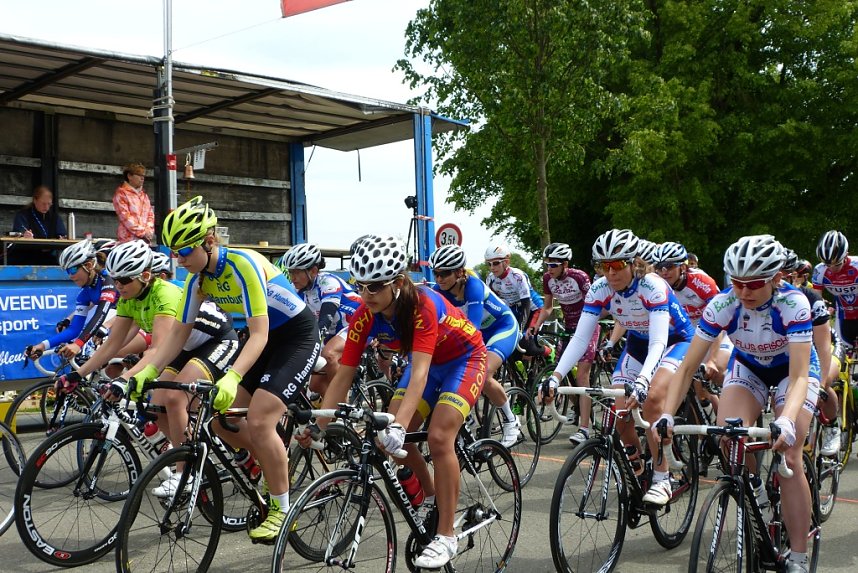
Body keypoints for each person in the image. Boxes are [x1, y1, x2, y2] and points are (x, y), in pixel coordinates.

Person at [303, 236, 486, 569]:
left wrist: (400, 425)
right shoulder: (364, 314)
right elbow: (343, 374)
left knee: (439, 436)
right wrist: (318, 425)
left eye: (374, 287)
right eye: (360, 286)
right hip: (428, 367)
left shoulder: (422, 305)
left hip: (464, 359)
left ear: (399, 283)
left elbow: (418, 375)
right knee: (384, 437)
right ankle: (432, 497)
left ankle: (446, 536)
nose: (365, 294)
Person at [157, 196, 320, 543]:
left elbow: (260, 333)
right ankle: (270, 456)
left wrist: (231, 377)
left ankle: (282, 508)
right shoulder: (198, 280)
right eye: (174, 253)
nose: (179, 259)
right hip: (261, 340)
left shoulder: (242, 265)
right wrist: (148, 372)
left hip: (295, 337)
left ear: (209, 241)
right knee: (222, 418)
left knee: (260, 420)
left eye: (185, 251)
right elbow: (177, 335)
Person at [655, 235, 818, 573]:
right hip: (749, 367)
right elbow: (687, 367)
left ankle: (800, 557)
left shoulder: (793, 304)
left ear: (775, 278)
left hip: (793, 371)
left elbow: (801, 376)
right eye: (737, 283)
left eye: (754, 284)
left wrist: (787, 420)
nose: (744, 292)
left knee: (789, 454)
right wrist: (667, 414)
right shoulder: (723, 304)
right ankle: (756, 493)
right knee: (730, 440)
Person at [540, 228, 695, 505]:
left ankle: (663, 478)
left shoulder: (652, 285)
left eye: (616, 265)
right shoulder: (600, 289)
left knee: (652, 400)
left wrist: (645, 381)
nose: (609, 273)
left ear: (634, 263)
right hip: (638, 342)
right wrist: (555, 376)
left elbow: (659, 341)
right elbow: (580, 338)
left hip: (674, 341)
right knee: (620, 409)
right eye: (603, 266)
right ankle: (637, 466)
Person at [80, 240, 239, 497]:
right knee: (158, 403)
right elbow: (112, 346)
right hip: (183, 348)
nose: (118, 286)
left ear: (145, 276)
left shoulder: (163, 294)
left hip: (216, 340)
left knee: (175, 398)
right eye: (115, 280)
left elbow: (158, 351)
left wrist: (125, 379)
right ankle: (189, 452)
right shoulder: (129, 298)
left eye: (124, 280)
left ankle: (183, 472)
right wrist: (76, 375)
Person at [428, 244, 522, 447]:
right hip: (478, 333)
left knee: (483, 373)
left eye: (444, 273)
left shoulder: (473, 286)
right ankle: (466, 419)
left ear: (460, 272)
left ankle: (511, 420)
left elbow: (473, 330)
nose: (439, 278)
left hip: (502, 327)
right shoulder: (439, 292)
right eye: (436, 273)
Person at [530, 242, 600, 443]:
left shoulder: (579, 277)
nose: (549, 269)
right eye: (547, 264)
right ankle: (577, 406)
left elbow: (594, 304)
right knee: (560, 372)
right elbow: (548, 307)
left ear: (565, 264)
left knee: (582, 377)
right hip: (568, 326)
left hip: (587, 326)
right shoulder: (547, 279)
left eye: (553, 265)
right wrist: (536, 324)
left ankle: (584, 428)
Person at [276, 243, 361, 397]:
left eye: (296, 272)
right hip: (333, 332)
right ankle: (331, 415)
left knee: (329, 354)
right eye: (290, 272)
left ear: (313, 271)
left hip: (356, 324)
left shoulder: (327, 282)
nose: (292, 277)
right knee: (316, 385)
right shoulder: (296, 290)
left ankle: (342, 406)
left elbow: (326, 318)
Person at [23, 239, 118, 361]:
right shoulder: (84, 294)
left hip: (136, 321)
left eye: (72, 270)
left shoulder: (108, 279)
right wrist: (41, 346)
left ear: (88, 266)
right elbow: (74, 329)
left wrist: (78, 344)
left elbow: (101, 313)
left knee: (96, 351)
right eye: (67, 271)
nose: (70, 276)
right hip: (122, 321)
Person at [9, 185, 67, 265]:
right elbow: (17, 234)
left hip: (48, 257)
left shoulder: (54, 217)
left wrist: (62, 238)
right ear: (35, 200)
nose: (46, 207)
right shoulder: (23, 215)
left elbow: (61, 234)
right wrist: (24, 236)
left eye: (49, 204)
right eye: (43, 204)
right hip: (26, 257)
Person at [113, 162, 154, 244]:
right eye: (139, 175)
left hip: (144, 242)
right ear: (129, 176)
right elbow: (125, 218)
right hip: (127, 241)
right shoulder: (121, 194)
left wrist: (149, 231)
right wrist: (143, 232)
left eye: (143, 175)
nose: (142, 178)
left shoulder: (144, 196)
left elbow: (150, 215)